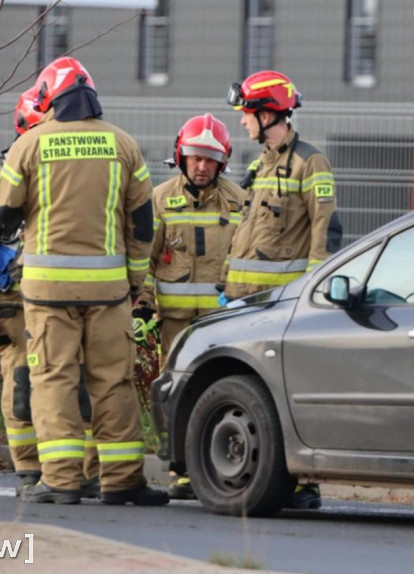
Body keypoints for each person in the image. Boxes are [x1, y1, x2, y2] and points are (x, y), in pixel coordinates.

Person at [0, 56, 167, 506]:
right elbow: (142, 224)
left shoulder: (29, 145)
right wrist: (134, 281)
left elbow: (3, 214)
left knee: (54, 380)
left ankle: (62, 481)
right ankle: (123, 479)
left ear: (50, 98)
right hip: (110, 292)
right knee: (113, 382)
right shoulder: (123, 145)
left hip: (47, 293)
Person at [0, 86, 99, 498]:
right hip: (13, 298)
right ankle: (30, 468)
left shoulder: (59, 168)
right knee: (23, 383)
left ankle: (82, 471)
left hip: (59, 292)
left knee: (74, 382)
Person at [224, 70, 342, 509]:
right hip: (244, 301)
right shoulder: (260, 166)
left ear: (269, 112)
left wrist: (309, 298)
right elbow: (247, 235)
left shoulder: (312, 164)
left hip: (282, 306)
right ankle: (261, 478)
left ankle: (303, 485)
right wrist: (228, 287)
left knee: (284, 394)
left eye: (246, 113)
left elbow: (324, 235)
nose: (242, 122)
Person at [134, 113, 247, 500]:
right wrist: (143, 304)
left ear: (223, 161)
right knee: (176, 394)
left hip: (222, 322)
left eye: (210, 159)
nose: (202, 166)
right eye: (195, 157)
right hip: (176, 326)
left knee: (221, 392)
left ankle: (214, 464)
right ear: (180, 157)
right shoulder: (160, 199)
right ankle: (179, 470)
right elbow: (144, 260)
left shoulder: (240, 201)